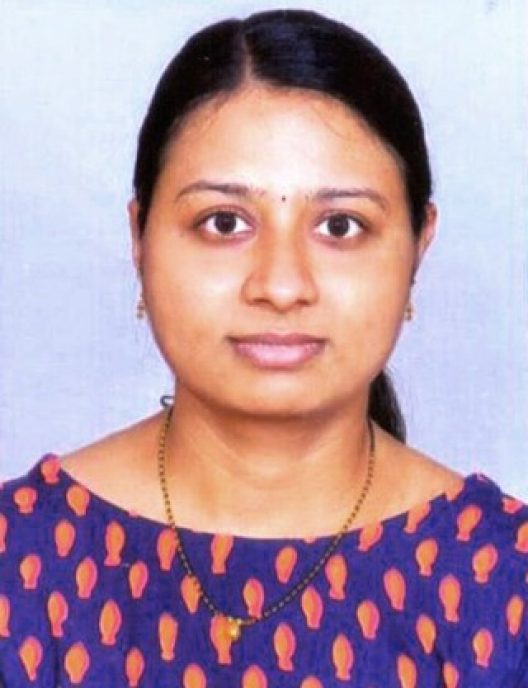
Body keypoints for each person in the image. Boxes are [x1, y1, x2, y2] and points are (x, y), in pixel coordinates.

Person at [1, 8, 527, 687]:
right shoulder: (19, 558)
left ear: (418, 247)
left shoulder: (503, 581)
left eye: (340, 226)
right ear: (139, 237)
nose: (281, 286)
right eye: (224, 223)